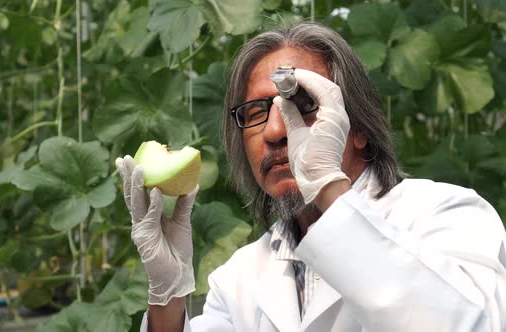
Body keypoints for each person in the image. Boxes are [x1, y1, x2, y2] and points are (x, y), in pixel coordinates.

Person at [115, 22, 506, 332]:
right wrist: (167, 298)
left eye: (302, 103)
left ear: (358, 128)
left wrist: (328, 186)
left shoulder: (451, 215)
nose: (273, 131)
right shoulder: (238, 278)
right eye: (254, 112)